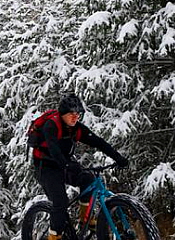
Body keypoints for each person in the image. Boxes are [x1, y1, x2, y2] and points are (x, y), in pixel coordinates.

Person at [31, 94, 129, 240]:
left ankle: (85, 220)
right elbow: (54, 149)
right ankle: (54, 237)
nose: (75, 117)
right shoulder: (51, 125)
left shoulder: (76, 129)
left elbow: (98, 142)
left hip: (64, 163)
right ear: (63, 113)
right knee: (60, 202)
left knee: (88, 179)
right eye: (72, 113)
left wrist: (118, 158)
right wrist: (66, 165)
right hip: (45, 167)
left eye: (78, 114)